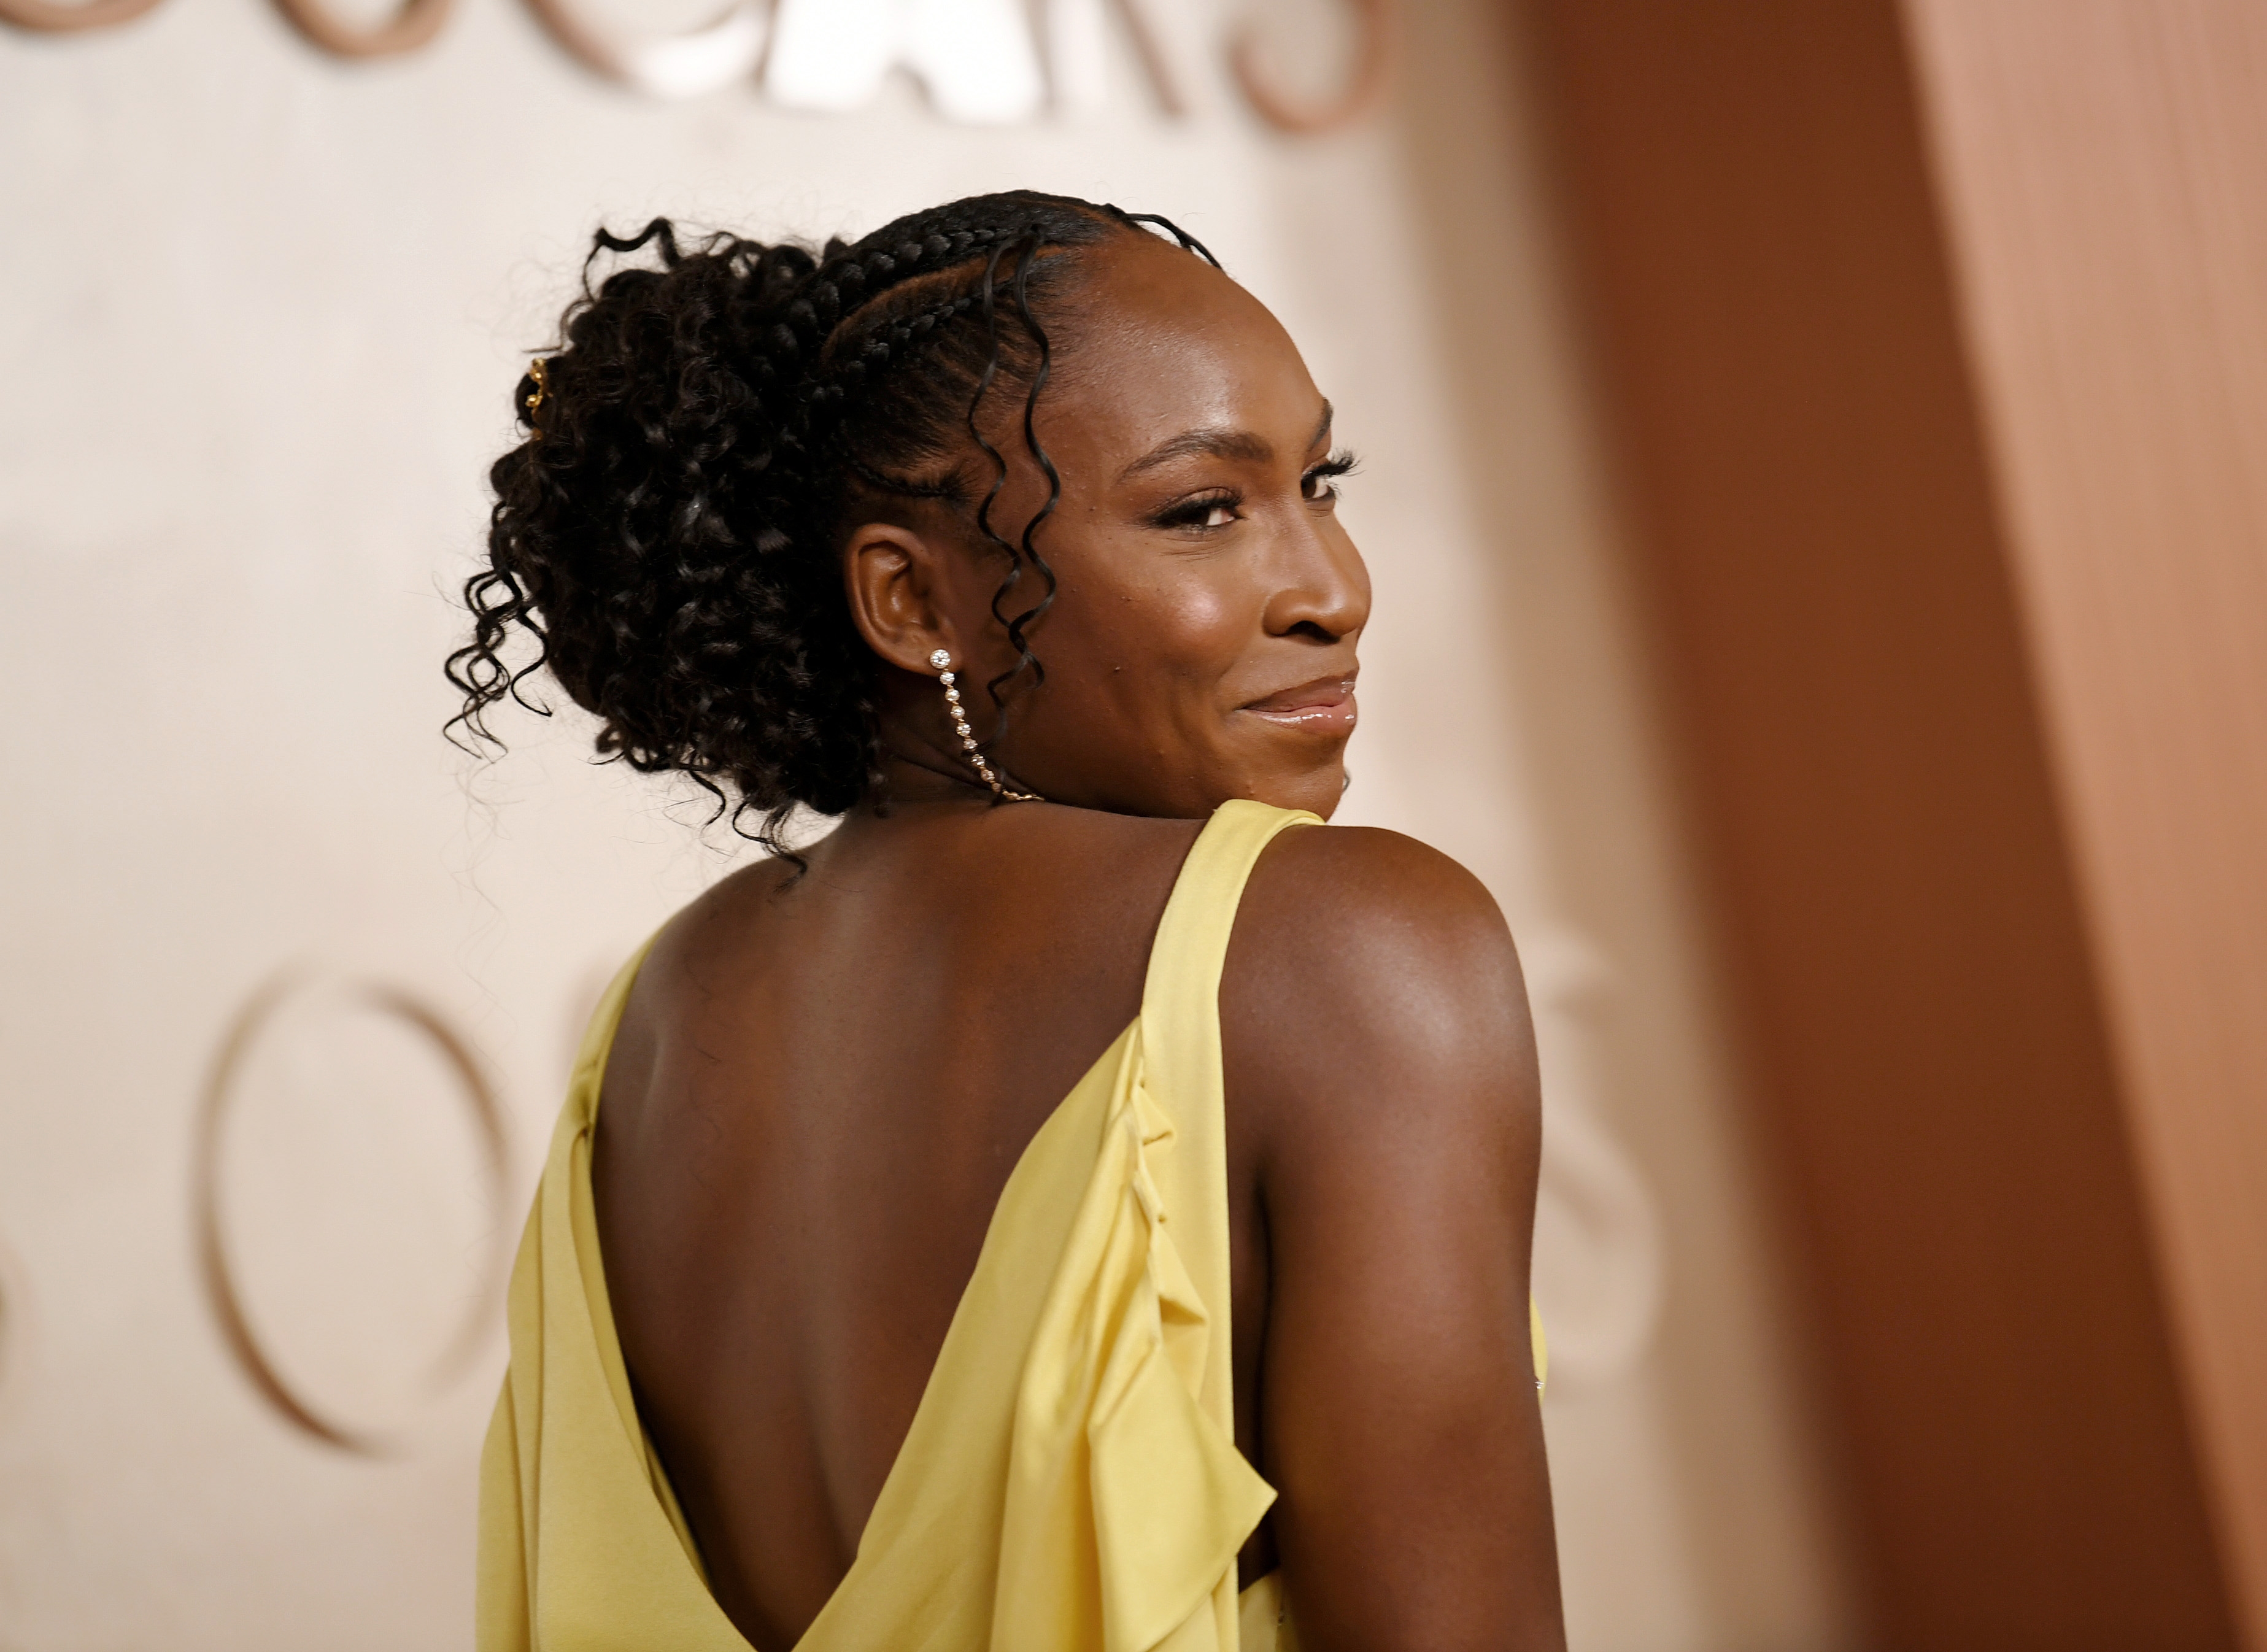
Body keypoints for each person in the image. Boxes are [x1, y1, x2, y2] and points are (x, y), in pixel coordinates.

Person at [454, 190, 1561, 1652]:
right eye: (1202, 510)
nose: (1331, 591)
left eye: (1320, 481)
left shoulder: (658, 1021)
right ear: (911, 600)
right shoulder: (1337, 949)